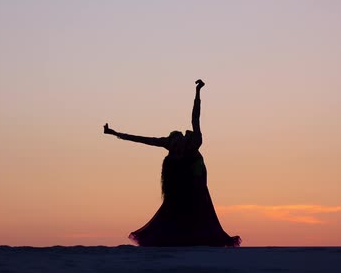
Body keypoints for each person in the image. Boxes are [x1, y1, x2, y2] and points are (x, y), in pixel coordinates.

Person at [103, 80, 240, 247]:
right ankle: (181, 237)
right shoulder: (170, 142)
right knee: (177, 208)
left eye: (179, 143)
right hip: (181, 180)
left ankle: (195, 237)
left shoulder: (194, 141)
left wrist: (198, 92)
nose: (178, 145)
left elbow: (195, 116)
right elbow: (143, 140)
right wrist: (116, 133)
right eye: (175, 145)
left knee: (198, 209)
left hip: (196, 178)